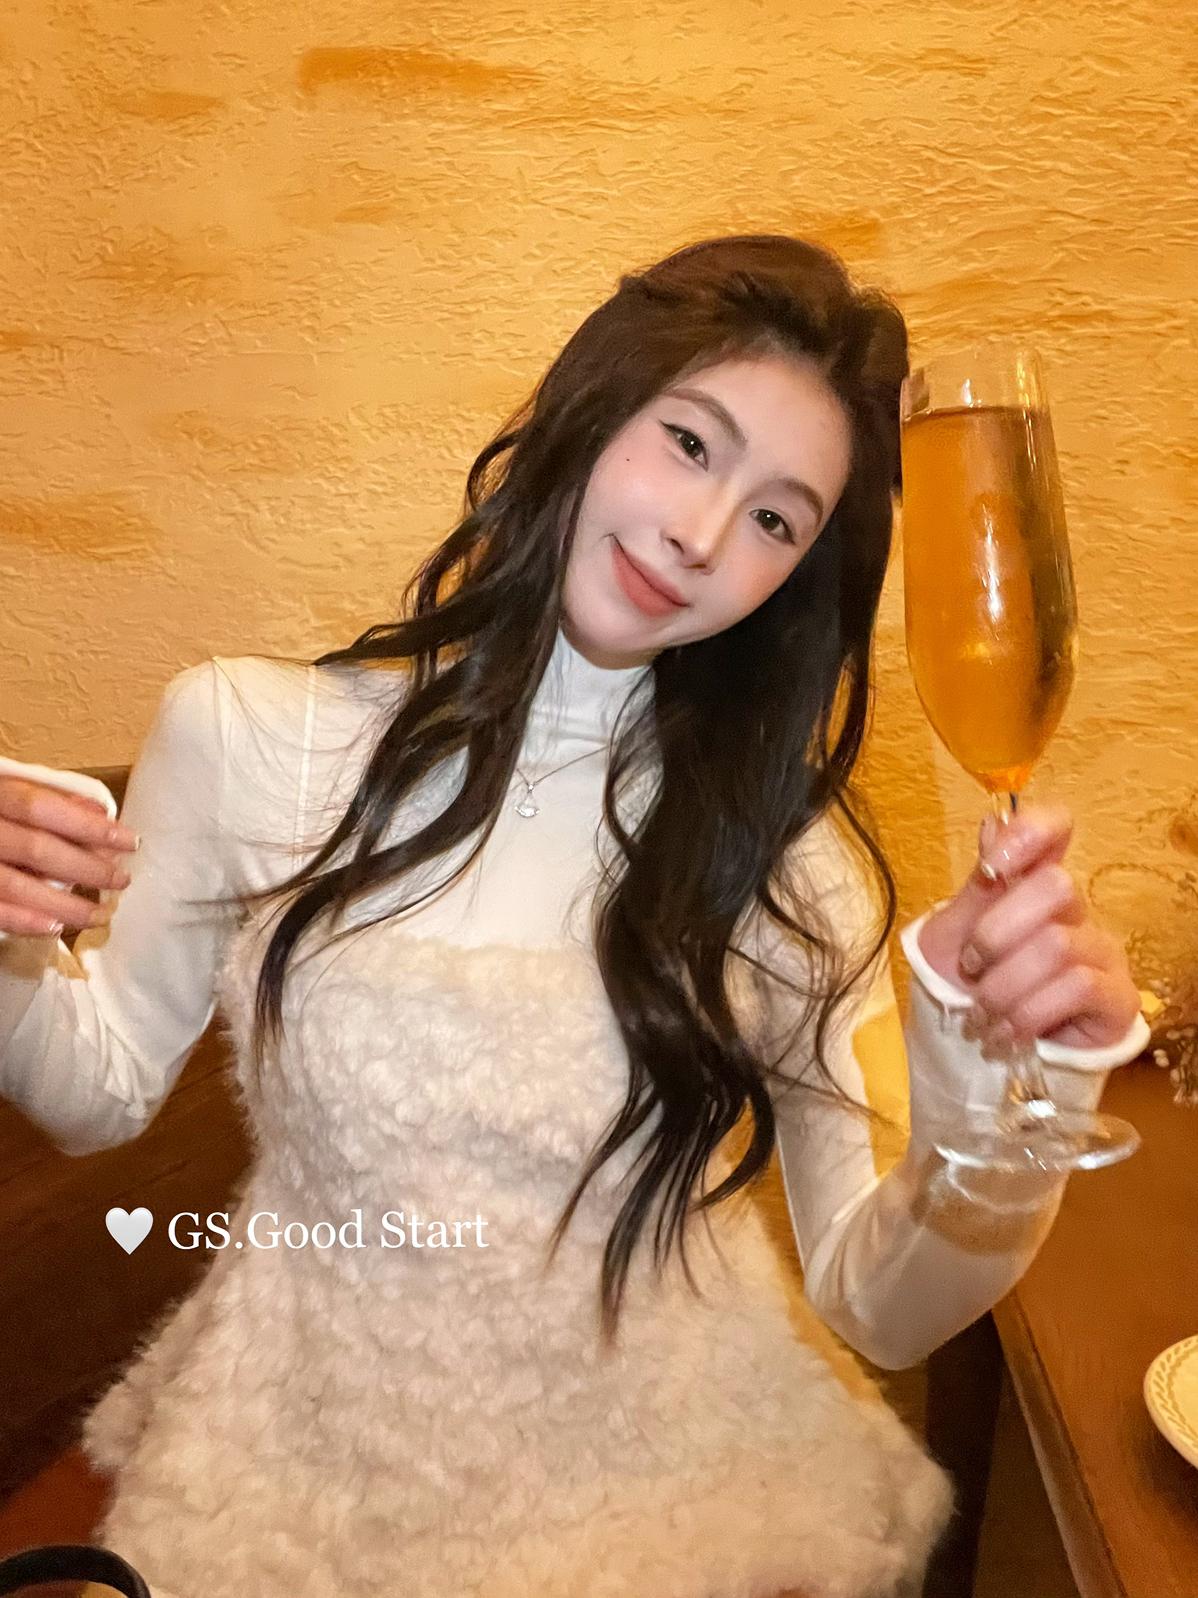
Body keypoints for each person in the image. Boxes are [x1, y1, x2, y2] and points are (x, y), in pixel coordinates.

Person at [0, 234, 1149, 1598]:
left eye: (777, 521)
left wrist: (1008, 1097)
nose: (701, 535)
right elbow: (96, 1090)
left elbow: (880, 1307)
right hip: (301, 1467)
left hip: (677, 1492)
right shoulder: (253, 738)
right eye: (689, 443)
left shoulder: (784, 863)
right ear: (589, 411)